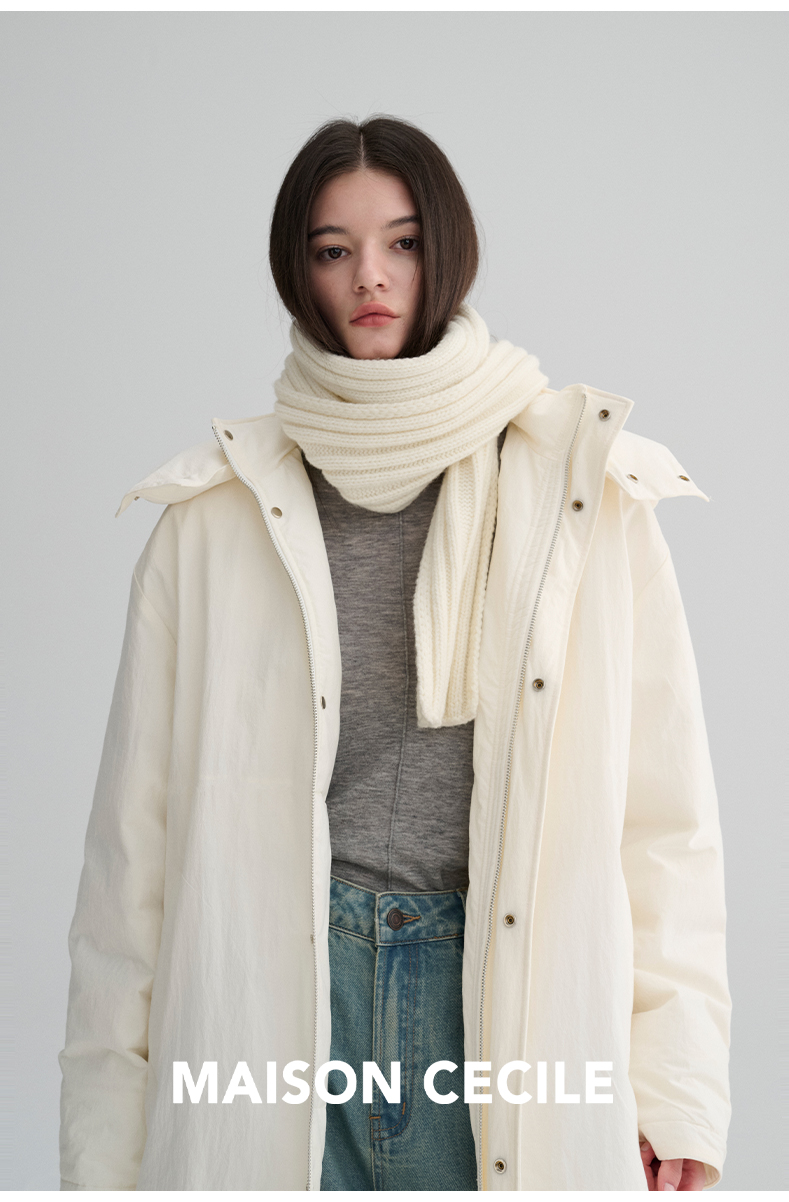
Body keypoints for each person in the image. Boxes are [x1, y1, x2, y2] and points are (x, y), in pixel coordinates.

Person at [59, 116, 731, 1192]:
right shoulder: (212, 519)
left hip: (499, 998)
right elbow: (129, 868)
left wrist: (677, 1089)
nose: (370, 275)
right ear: (299, 270)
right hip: (276, 1002)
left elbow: (664, 826)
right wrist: (101, 1159)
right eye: (334, 249)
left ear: (446, 250)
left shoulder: (584, 494)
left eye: (402, 242)